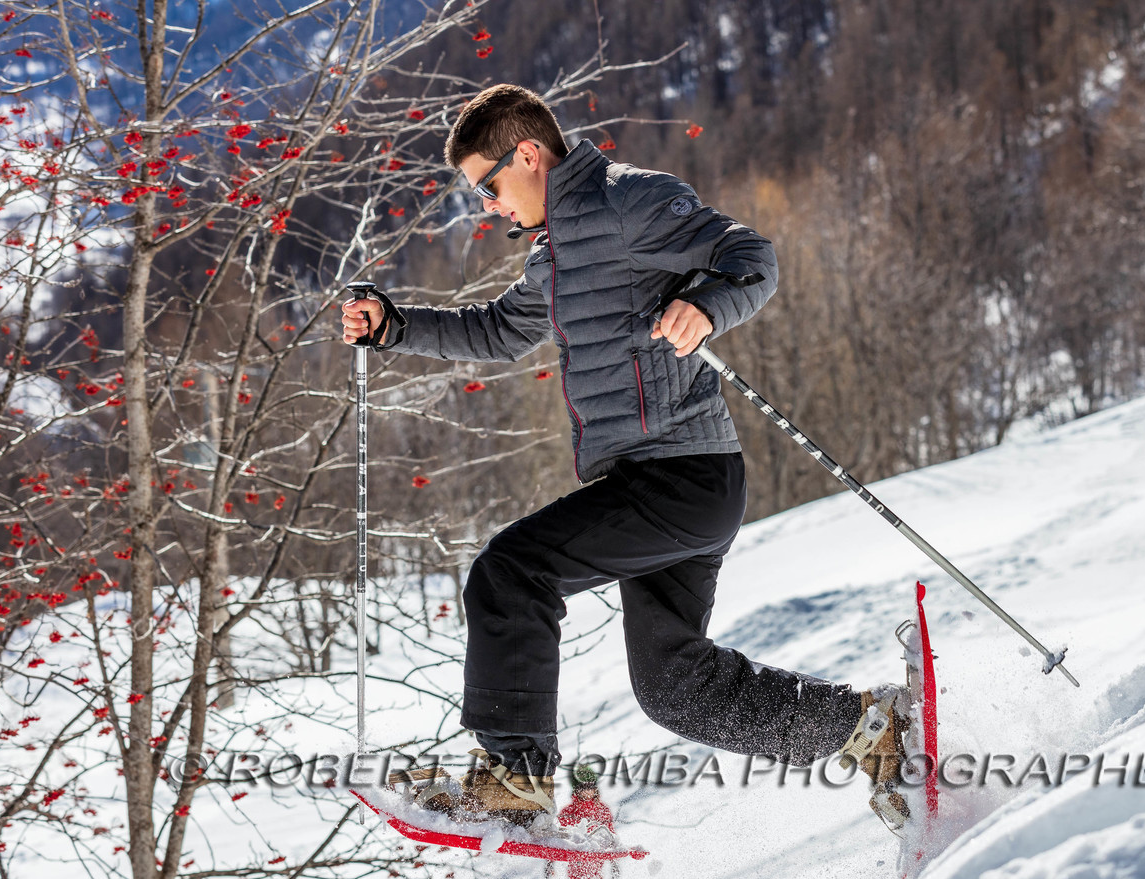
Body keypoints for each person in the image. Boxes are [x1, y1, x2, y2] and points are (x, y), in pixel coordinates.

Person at [343, 84, 911, 831]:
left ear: (528, 154)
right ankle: (868, 728)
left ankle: (512, 780)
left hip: (682, 475)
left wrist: (706, 304)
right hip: (656, 485)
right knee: (675, 688)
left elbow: (751, 257)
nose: (488, 206)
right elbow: (498, 335)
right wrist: (394, 327)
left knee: (513, 571)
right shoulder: (554, 257)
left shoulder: (630, 201)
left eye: (489, 186)